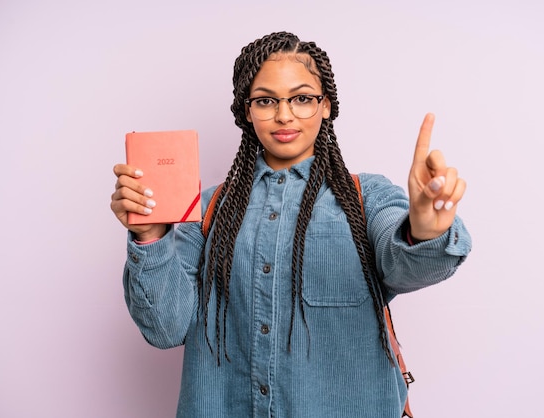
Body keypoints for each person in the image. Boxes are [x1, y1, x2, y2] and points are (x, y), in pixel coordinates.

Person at [110, 31, 471, 418]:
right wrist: (149, 236)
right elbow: (164, 329)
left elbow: (408, 266)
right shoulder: (209, 210)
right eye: (266, 100)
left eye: (301, 98)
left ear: (326, 106)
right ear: (247, 110)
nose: (284, 115)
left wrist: (425, 230)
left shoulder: (367, 198)